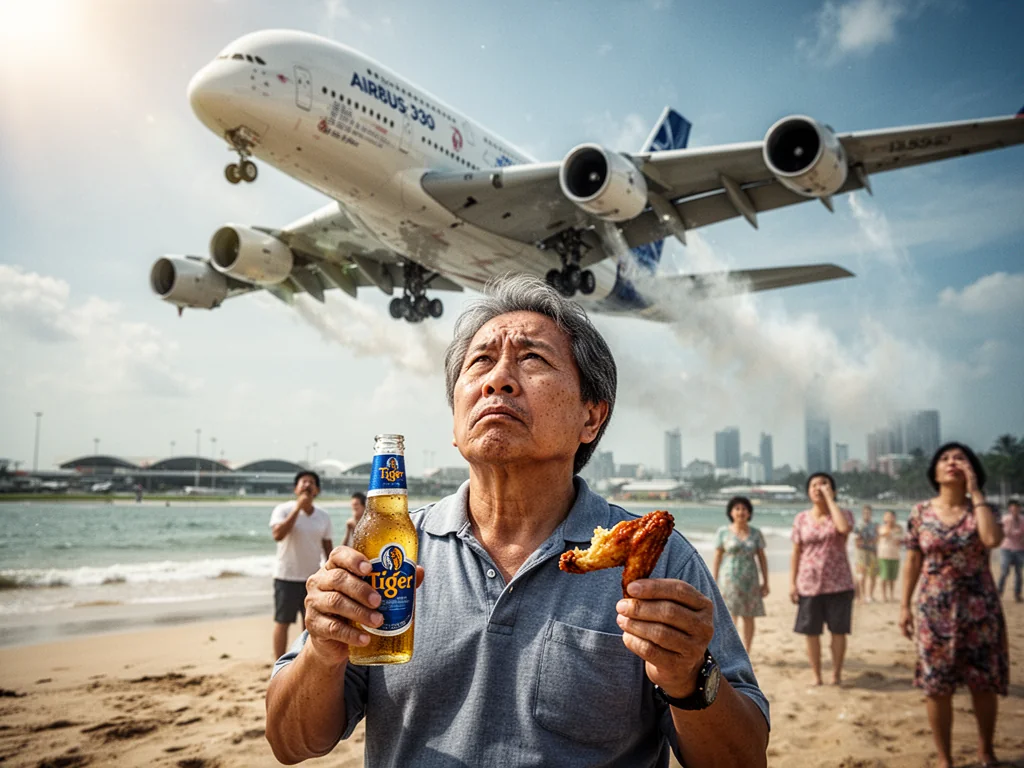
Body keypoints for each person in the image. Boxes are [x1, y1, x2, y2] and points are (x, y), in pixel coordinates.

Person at [265, 274, 769, 767]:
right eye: (480, 362)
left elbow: (745, 757)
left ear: (591, 417)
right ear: (455, 422)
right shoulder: (392, 553)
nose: (497, 379)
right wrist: (322, 654)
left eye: (532, 359)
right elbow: (290, 743)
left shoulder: (657, 560)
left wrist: (689, 678)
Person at [899, 442, 1007, 768]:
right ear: (935, 472)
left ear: (972, 468)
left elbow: (992, 540)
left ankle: (986, 751)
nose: (952, 462)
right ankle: (944, 758)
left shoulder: (984, 509)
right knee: (936, 686)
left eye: (960, 458)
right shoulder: (920, 512)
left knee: (983, 683)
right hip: (934, 609)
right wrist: (904, 606)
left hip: (980, 608)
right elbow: (913, 562)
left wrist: (976, 492)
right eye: (944, 458)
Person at [789, 472, 854, 686]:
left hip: (839, 583)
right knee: (811, 632)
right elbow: (796, 552)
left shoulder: (843, 514)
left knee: (838, 631)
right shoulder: (801, 518)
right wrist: (792, 583)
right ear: (808, 492)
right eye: (814, 485)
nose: (818, 488)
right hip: (809, 584)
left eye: (824, 484)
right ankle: (816, 674)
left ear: (833, 490)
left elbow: (843, 529)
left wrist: (830, 500)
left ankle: (836, 674)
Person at [269, 470, 333, 660]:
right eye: (303, 482)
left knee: (310, 624)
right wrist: (298, 508)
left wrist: (330, 575)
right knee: (282, 622)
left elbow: (328, 548)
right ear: (295, 488)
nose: (307, 485)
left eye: (311, 482)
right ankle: (279, 664)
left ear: (317, 490)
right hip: (286, 577)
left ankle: (305, 662)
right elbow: (278, 535)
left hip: (312, 579)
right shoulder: (283, 509)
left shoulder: (323, 516)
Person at [712, 496, 769, 653]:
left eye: (744, 509)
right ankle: (732, 651)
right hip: (729, 580)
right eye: (737, 508)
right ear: (731, 512)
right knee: (730, 616)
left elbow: (762, 558)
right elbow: (717, 558)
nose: (741, 512)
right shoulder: (723, 532)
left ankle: (747, 651)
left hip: (751, 581)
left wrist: (766, 582)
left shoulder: (756, 533)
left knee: (749, 616)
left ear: (749, 513)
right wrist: (713, 581)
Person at [997, 498, 1023, 603]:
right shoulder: (1005, 519)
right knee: (1004, 571)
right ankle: (999, 592)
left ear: (1020, 509)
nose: (1015, 511)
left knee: (1019, 573)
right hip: (1006, 548)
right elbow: (1002, 532)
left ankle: (1017, 594)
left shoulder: (1023, 520)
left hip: (1019, 548)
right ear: (1009, 509)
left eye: (1017, 509)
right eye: (1013, 509)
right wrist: (1010, 524)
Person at [853, 504, 878, 603]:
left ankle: (870, 596)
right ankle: (862, 596)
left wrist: (871, 544)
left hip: (872, 551)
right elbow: (857, 541)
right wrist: (868, 541)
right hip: (861, 552)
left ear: (871, 514)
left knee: (873, 575)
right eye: (865, 513)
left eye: (868, 513)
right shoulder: (858, 525)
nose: (867, 515)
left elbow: (877, 539)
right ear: (862, 513)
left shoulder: (874, 525)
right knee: (861, 575)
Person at [875, 510, 902, 602]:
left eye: (891, 516)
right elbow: (882, 534)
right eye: (887, 516)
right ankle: (884, 596)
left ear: (894, 518)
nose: (889, 518)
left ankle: (891, 595)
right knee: (884, 576)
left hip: (895, 555)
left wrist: (895, 532)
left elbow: (899, 542)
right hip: (883, 555)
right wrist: (890, 529)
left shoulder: (899, 528)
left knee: (892, 577)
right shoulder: (881, 527)